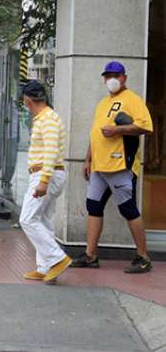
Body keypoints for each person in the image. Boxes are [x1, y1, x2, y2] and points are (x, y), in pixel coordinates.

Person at [71, 61, 154, 273]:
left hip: (120, 166)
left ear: (124, 77)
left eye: (115, 75)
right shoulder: (103, 103)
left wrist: (119, 130)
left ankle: (143, 257)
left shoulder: (133, 100)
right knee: (94, 207)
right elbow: (95, 133)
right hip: (100, 167)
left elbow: (145, 127)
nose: (111, 79)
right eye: (107, 76)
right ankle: (90, 256)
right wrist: (88, 159)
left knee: (128, 209)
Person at [18, 81, 72, 283]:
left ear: (28, 100)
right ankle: (45, 267)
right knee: (43, 221)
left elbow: (50, 152)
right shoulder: (46, 118)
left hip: (45, 175)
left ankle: (57, 259)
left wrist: (43, 181)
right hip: (47, 174)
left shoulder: (48, 119)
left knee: (28, 219)